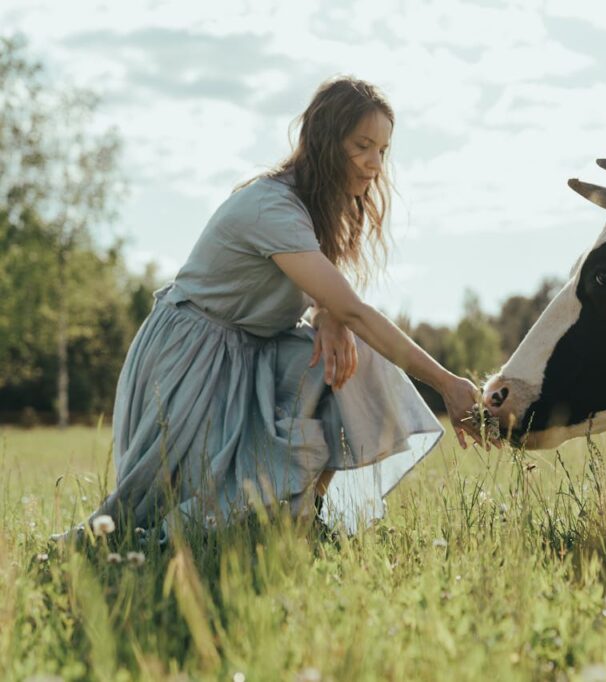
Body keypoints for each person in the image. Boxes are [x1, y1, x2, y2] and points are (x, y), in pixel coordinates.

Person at [85, 76, 481, 535]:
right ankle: (257, 520)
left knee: (354, 359)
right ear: (326, 141)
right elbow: (352, 307)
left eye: (384, 150)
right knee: (175, 520)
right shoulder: (272, 207)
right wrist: (447, 384)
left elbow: (331, 300)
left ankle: (305, 516)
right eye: (363, 145)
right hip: (191, 357)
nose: (375, 164)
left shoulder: (316, 207)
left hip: (252, 353)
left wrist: (329, 316)